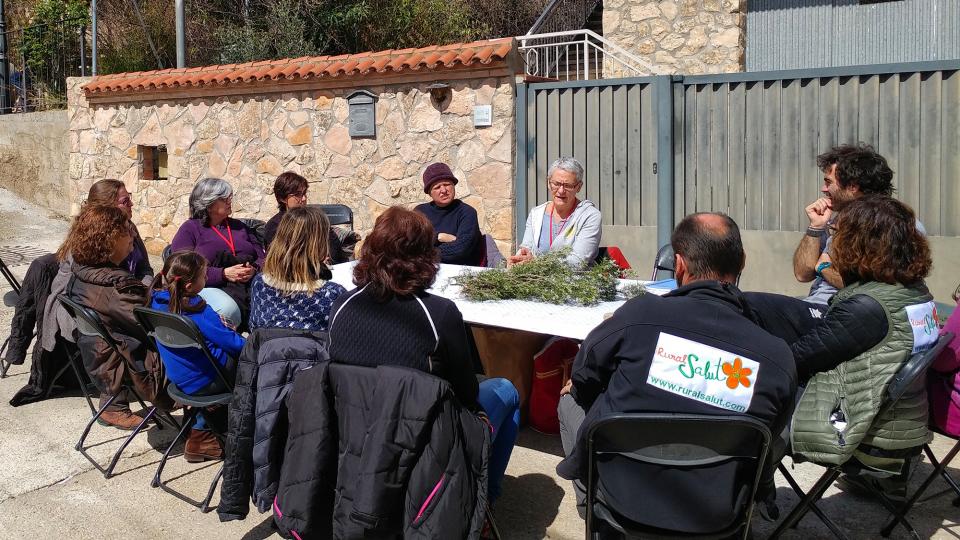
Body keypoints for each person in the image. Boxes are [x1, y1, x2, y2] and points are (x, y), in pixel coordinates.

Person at [556, 212, 797, 533]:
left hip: (622, 504)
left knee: (568, 399)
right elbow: (772, 431)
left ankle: (594, 513)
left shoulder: (638, 315)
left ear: (679, 264)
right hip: (718, 517)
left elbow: (584, 377)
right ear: (742, 262)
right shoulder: (777, 356)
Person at [328, 206, 520, 502]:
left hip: (355, 430)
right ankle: (482, 504)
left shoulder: (341, 306)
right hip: (425, 437)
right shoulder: (439, 313)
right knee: (506, 390)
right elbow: (466, 394)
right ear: (425, 255)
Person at [787, 197, 935, 481]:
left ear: (858, 244)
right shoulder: (913, 291)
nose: (834, 241)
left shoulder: (867, 306)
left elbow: (795, 360)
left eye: (836, 234)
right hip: (902, 426)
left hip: (865, 438)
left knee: (750, 398)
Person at [746, 145, 921, 341]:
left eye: (829, 182)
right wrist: (815, 227)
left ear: (853, 187)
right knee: (739, 305)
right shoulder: (832, 220)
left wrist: (823, 266)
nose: (823, 189)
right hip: (814, 306)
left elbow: (864, 287)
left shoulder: (895, 226)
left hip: (840, 314)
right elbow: (802, 273)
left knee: (749, 305)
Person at [63, 205, 161, 429]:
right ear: (109, 239)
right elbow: (153, 328)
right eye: (127, 230)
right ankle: (202, 433)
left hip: (100, 359)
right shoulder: (118, 288)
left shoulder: (81, 272)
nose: (133, 235)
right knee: (209, 351)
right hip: (136, 368)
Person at [148, 251, 245, 462]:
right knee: (252, 365)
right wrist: (255, 346)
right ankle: (203, 435)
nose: (207, 278)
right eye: (204, 275)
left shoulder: (156, 302)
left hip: (179, 376)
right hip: (206, 380)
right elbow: (233, 343)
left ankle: (199, 426)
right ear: (190, 286)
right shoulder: (196, 310)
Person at [171, 177, 265, 329]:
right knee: (228, 307)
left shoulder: (240, 227)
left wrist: (254, 268)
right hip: (211, 287)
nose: (230, 200)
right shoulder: (190, 229)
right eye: (224, 198)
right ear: (208, 204)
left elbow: (263, 256)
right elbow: (182, 268)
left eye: (230, 196)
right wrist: (223, 274)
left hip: (250, 283)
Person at [250, 206, 347, 331]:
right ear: (319, 243)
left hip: (267, 349)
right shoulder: (332, 294)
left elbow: (254, 329)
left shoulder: (259, 284)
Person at [509, 157, 602, 268]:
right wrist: (519, 259)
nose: (561, 190)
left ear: (579, 187)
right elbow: (526, 248)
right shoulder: (536, 214)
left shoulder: (589, 216)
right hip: (535, 281)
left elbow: (577, 262)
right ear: (549, 183)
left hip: (573, 283)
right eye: (556, 184)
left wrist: (536, 263)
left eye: (568, 185)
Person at [262, 171, 359, 264]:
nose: (304, 198)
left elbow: (332, 244)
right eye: (297, 195)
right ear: (282, 198)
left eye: (304, 193)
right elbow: (278, 259)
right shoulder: (274, 226)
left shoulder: (315, 218)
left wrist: (325, 258)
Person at [414, 162, 483, 266]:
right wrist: (439, 237)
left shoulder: (467, 212)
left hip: (460, 271)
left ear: (454, 186)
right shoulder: (420, 212)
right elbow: (411, 243)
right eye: (437, 187)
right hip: (425, 270)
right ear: (429, 193)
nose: (443, 190)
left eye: (447, 184)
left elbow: (461, 250)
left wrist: (425, 251)